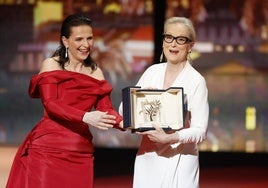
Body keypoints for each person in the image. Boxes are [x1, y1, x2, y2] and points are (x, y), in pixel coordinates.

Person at [6, 14, 123, 188]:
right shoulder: (51, 64)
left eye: (89, 38)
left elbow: (107, 111)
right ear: (65, 41)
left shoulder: (96, 72)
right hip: (47, 149)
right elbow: (51, 104)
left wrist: (130, 123)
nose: (86, 45)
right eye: (79, 39)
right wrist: (85, 116)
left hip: (79, 152)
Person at [122, 17, 209, 188]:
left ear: (190, 45)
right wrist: (130, 118)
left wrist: (170, 137)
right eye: (169, 37)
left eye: (180, 39)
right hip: (148, 157)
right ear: (163, 41)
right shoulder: (152, 72)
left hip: (180, 159)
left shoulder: (196, 81)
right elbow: (126, 108)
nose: (173, 44)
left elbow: (200, 131)